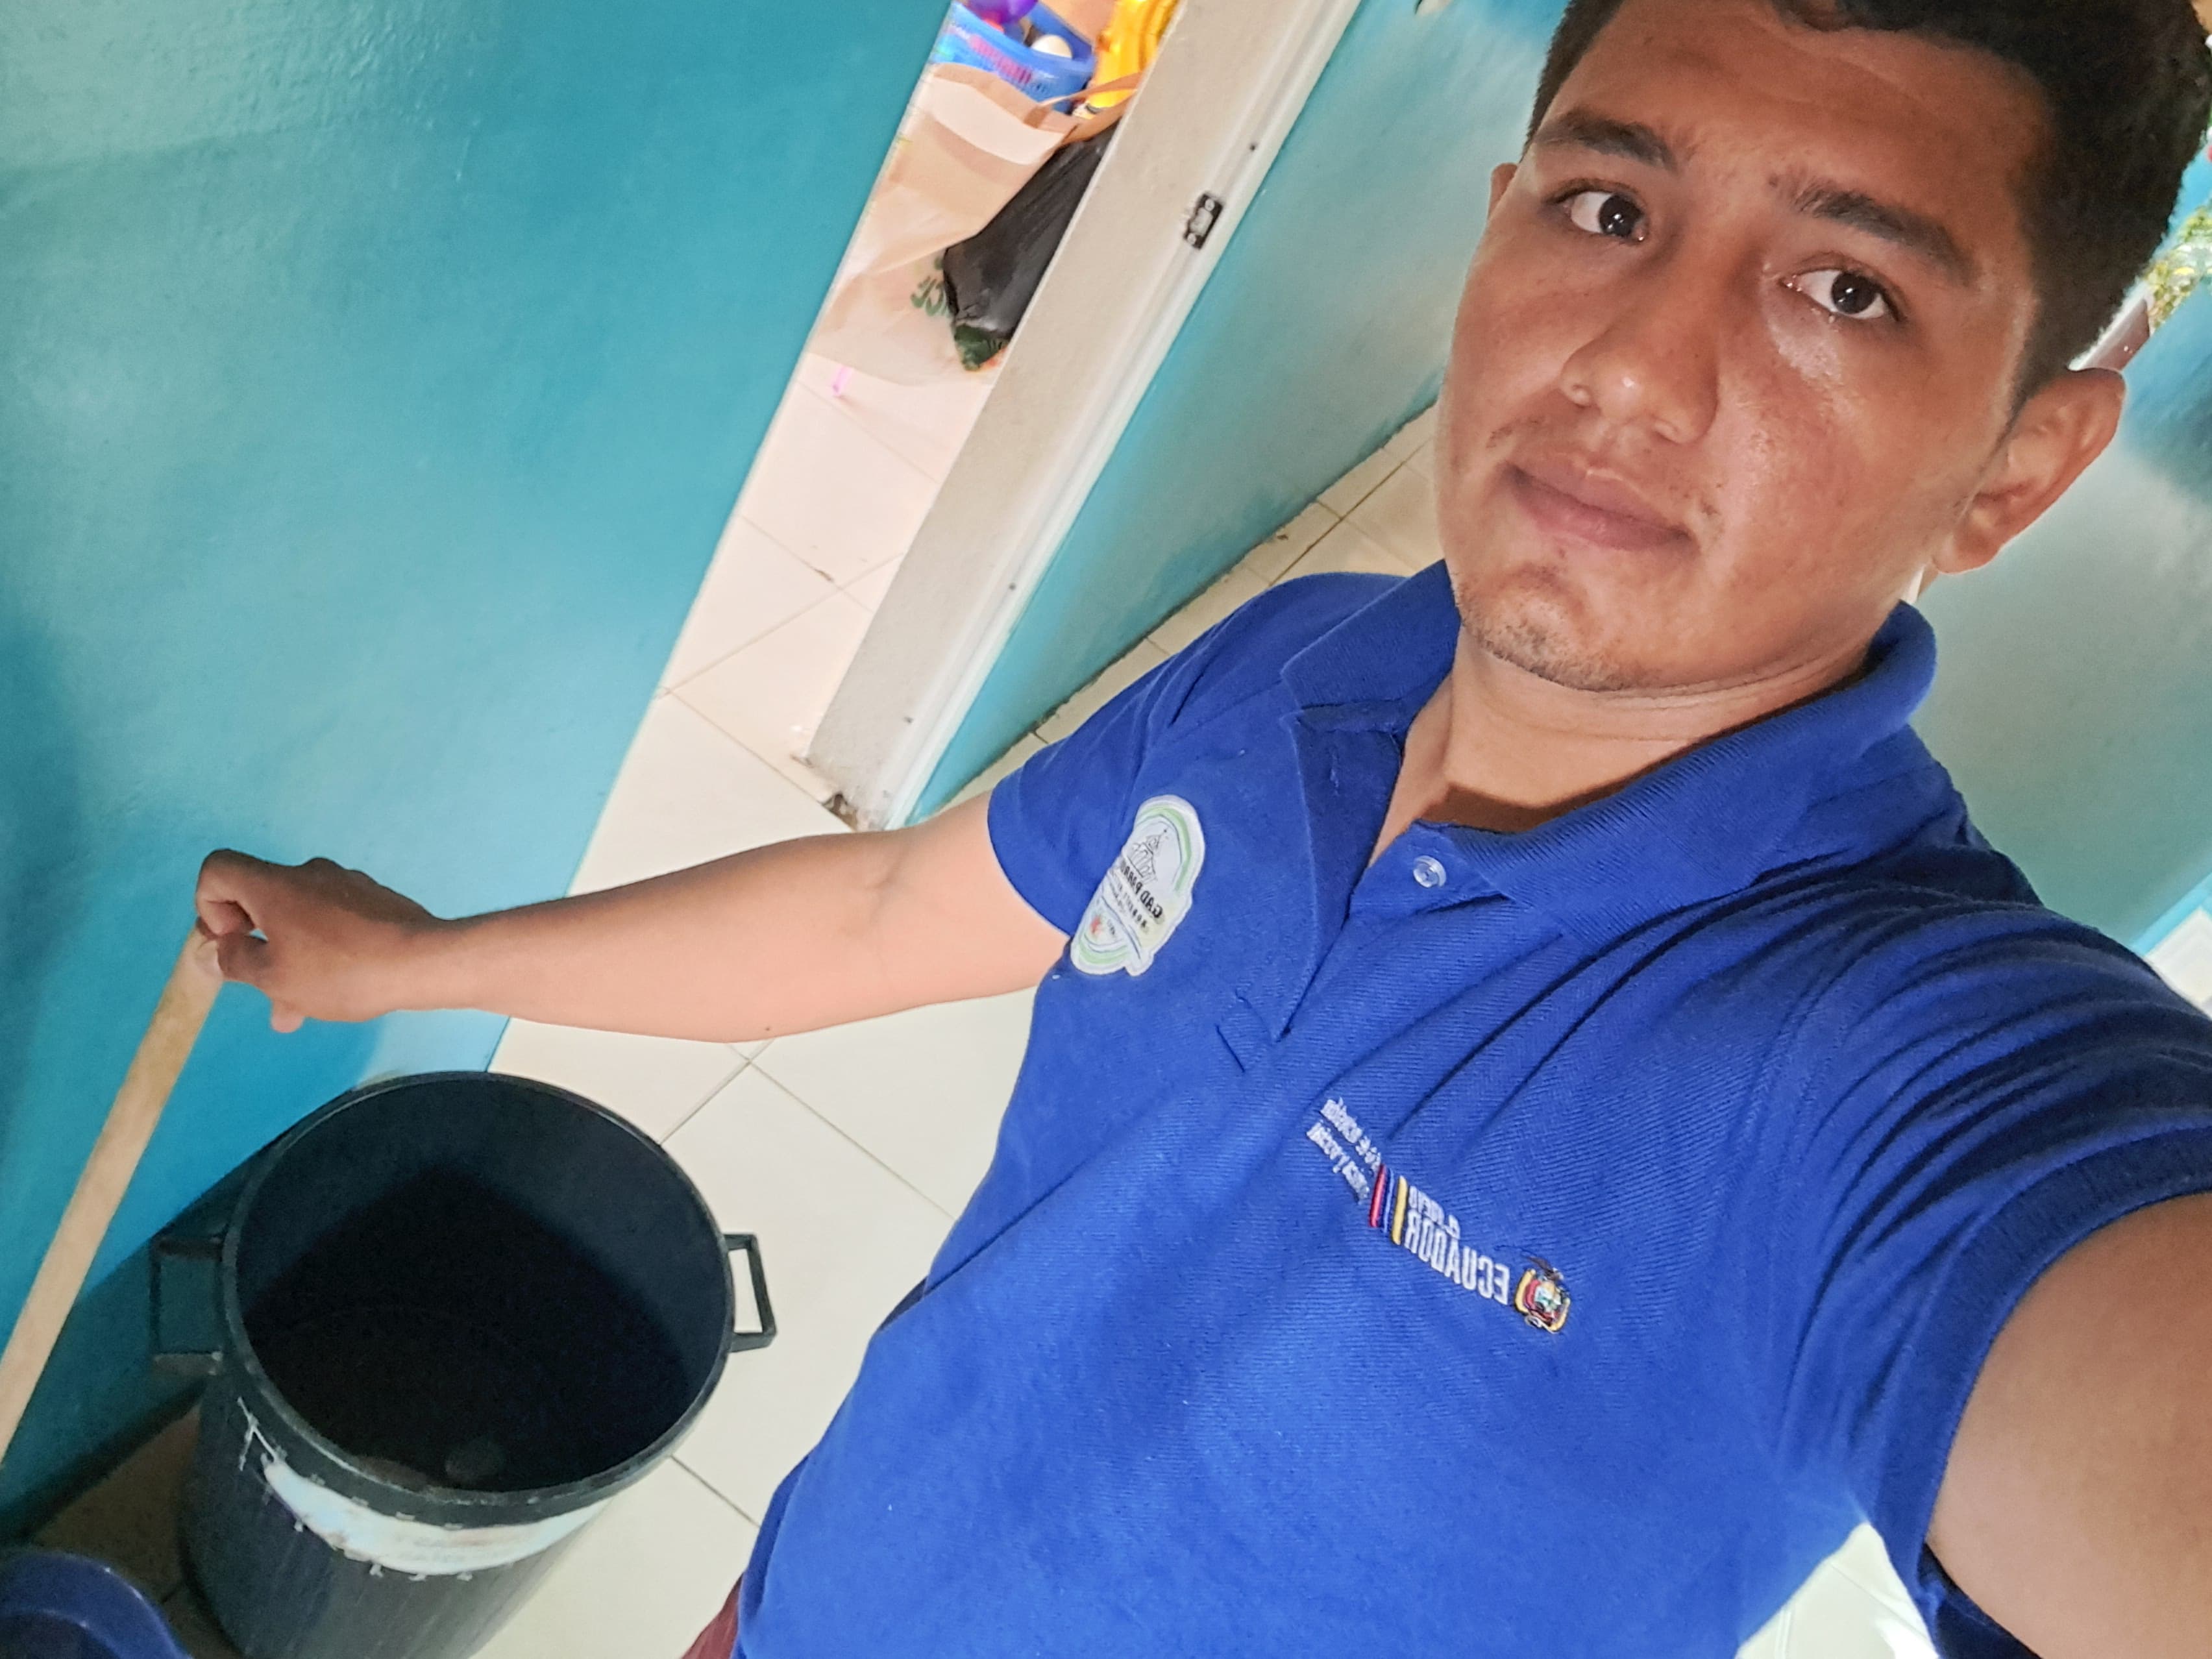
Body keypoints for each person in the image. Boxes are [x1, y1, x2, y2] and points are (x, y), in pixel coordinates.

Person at [195, 1, 2212, 1653]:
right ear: (1496, 228)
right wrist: (420, 959)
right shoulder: (1297, 671)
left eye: (1847, 289)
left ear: (2019, 467)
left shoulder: (1903, 1060)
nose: (1633, 370)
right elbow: (886, 906)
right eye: (1609, 209)